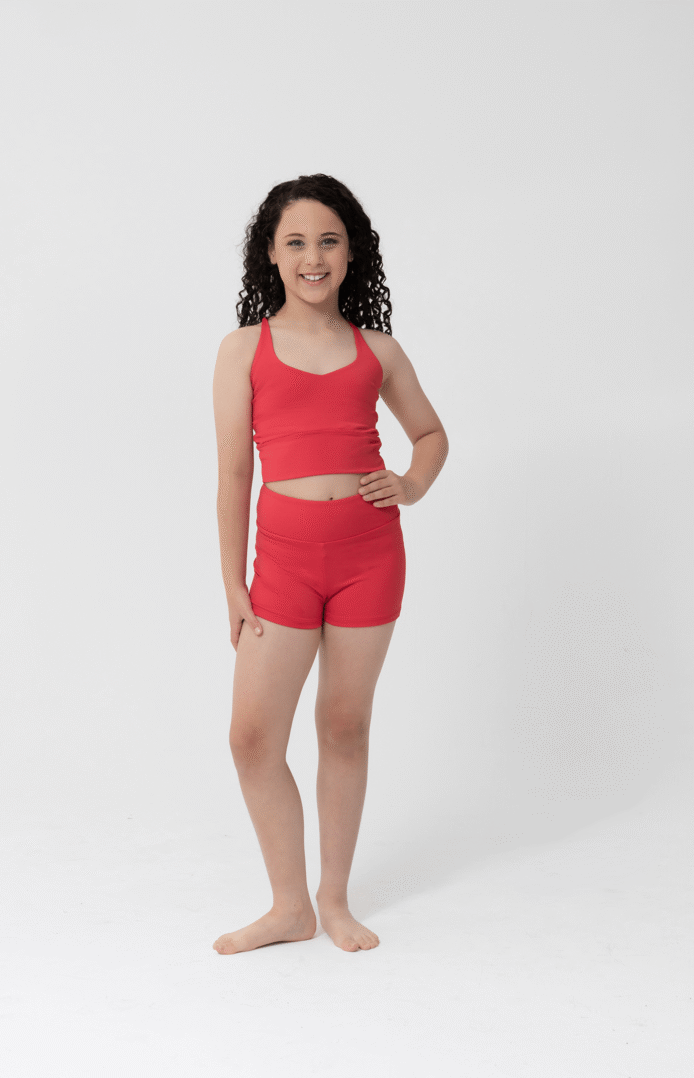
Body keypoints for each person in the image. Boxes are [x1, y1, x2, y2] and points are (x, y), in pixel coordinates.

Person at [212, 174, 449, 954]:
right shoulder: (242, 350)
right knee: (252, 737)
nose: (312, 257)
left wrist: (409, 484)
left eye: (328, 241)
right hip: (281, 563)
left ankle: (333, 899)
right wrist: (233, 583)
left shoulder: (378, 350)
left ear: (351, 254)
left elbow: (431, 435)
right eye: (296, 242)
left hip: (368, 557)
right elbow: (235, 473)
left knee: (344, 725)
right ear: (271, 256)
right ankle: (289, 907)